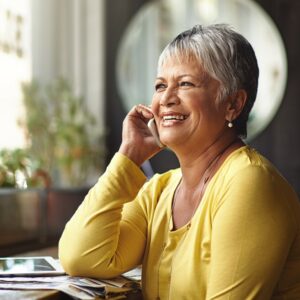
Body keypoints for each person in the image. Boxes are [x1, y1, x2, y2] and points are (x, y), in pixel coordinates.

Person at [59, 24, 300, 299]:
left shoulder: (249, 183)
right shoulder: (159, 190)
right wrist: (128, 156)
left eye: (185, 84)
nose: (166, 99)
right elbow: (81, 256)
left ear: (233, 104)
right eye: (160, 85)